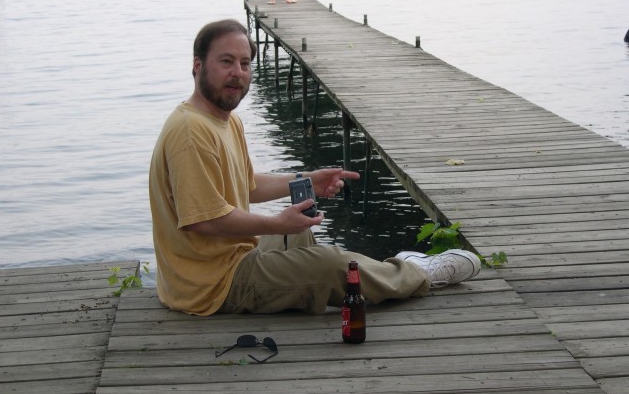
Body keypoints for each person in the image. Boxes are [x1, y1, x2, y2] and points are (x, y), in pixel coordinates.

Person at [148, 19, 481, 317]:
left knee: (299, 232)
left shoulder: (224, 120)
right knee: (335, 267)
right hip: (211, 286)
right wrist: (274, 222)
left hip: (224, 261)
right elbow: (204, 220)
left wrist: (307, 179)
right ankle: (417, 273)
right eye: (226, 62)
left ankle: (318, 284)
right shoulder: (191, 131)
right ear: (197, 65)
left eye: (245, 63)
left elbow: (247, 185)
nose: (238, 72)